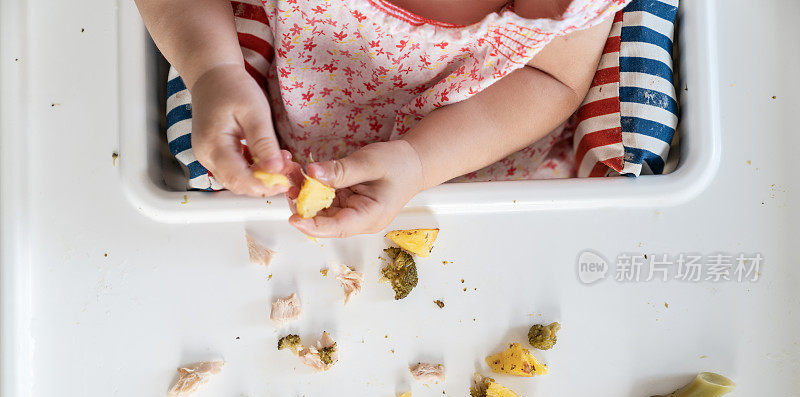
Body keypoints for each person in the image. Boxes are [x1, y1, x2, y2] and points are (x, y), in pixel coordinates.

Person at [136, 0, 626, 236]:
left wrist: (420, 161)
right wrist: (212, 68)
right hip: (287, 139)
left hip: (478, 167)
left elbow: (550, 78)